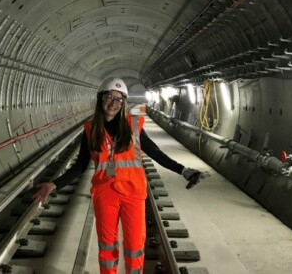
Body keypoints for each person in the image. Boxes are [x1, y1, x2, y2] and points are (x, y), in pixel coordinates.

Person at [33, 78, 205, 274]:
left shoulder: (133, 125)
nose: (114, 103)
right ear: (100, 98)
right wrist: (54, 184)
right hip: (105, 195)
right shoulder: (91, 130)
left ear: (123, 103)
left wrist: (184, 171)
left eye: (119, 99)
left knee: (134, 246)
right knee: (107, 246)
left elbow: (156, 153)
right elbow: (80, 165)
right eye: (109, 97)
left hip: (133, 194)